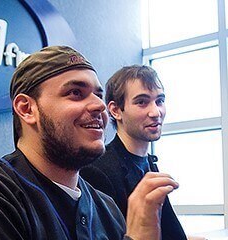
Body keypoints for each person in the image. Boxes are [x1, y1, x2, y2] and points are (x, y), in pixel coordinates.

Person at [0, 46, 179, 240]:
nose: (99, 105)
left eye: (98, 95)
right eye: (75, 93)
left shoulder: (106, 209)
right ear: (27, 109)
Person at [80, 65, 201, 240]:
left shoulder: (149, 164)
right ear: (115, 110)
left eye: (159, 101)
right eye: (142, 102)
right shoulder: (99, 171)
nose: (155, 112)